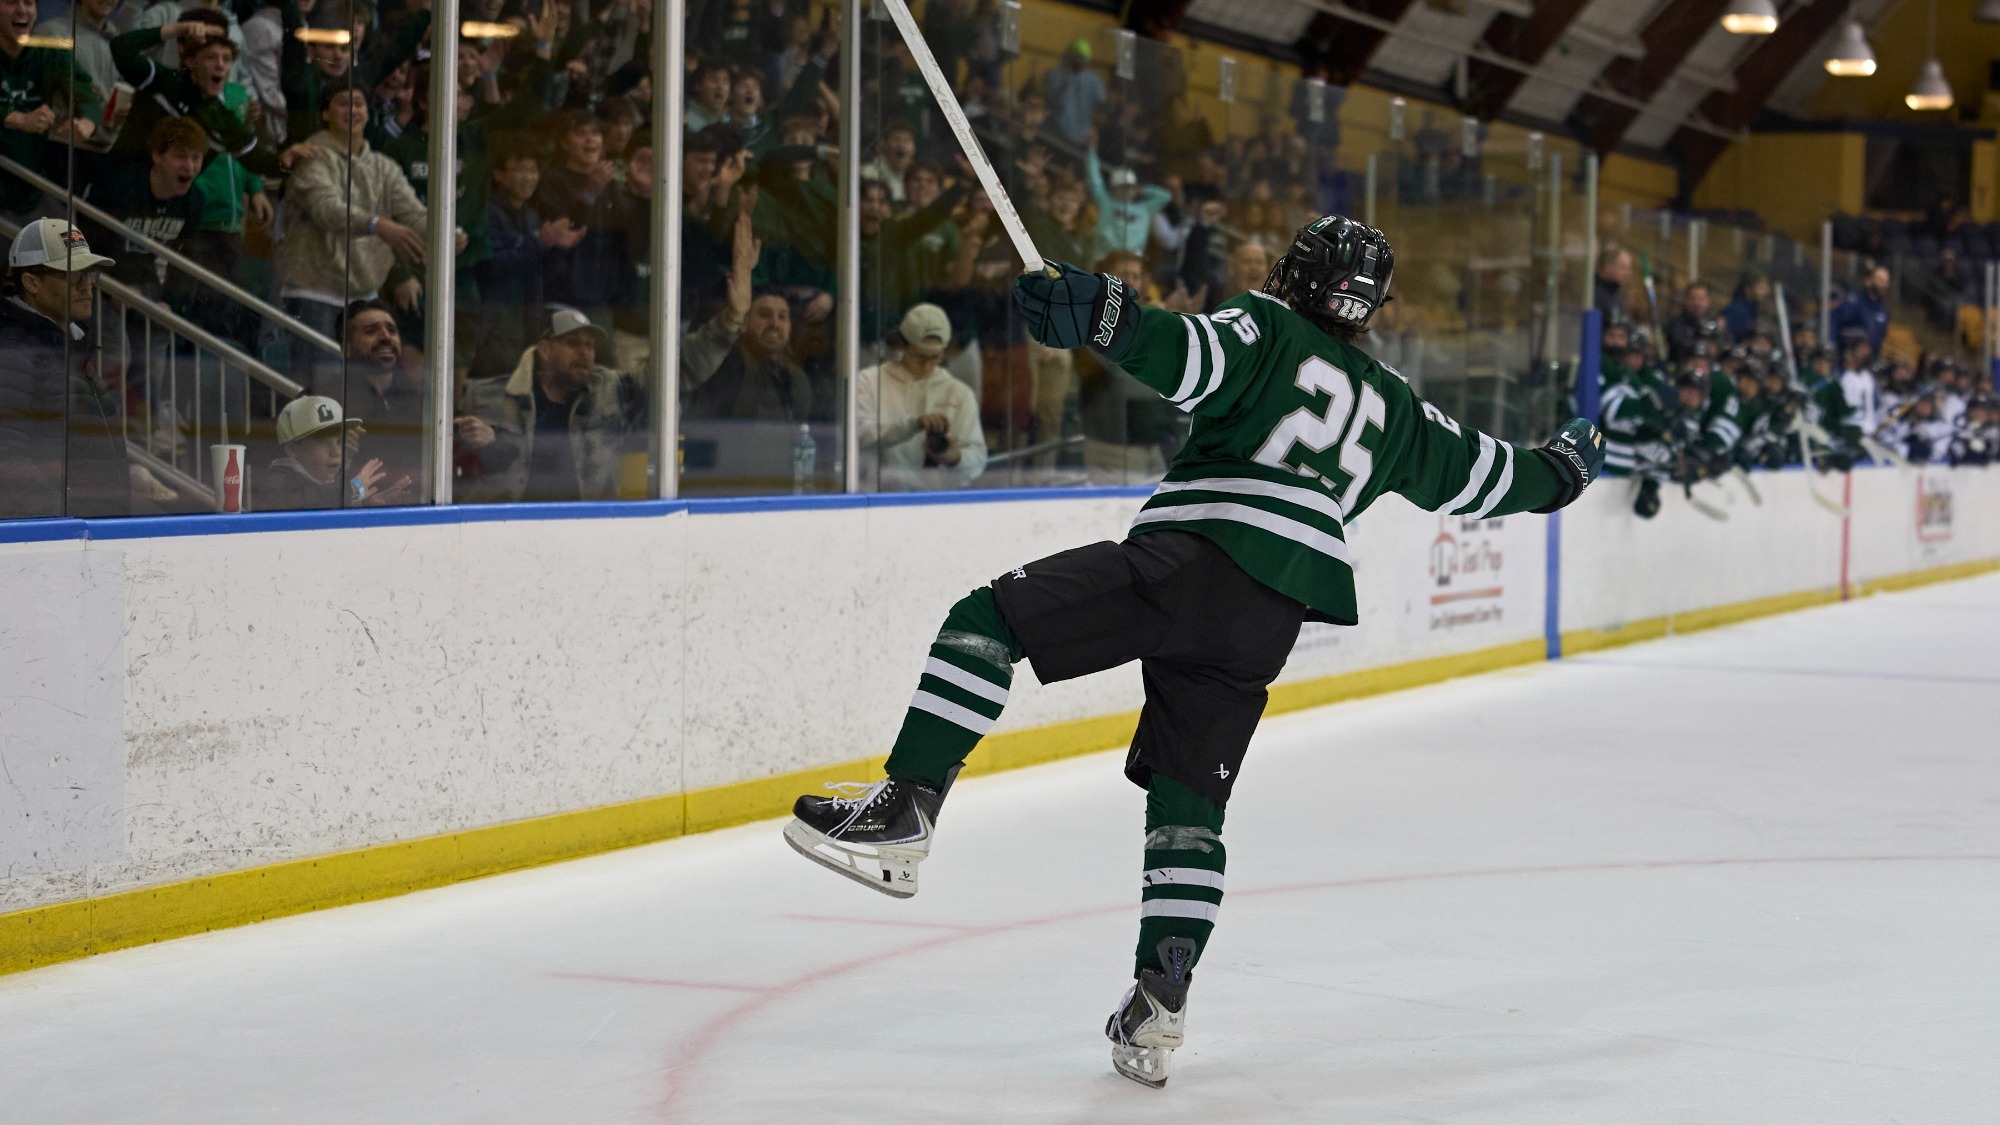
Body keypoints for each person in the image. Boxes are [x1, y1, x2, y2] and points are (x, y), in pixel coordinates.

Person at [781, 214, 1603, 1088]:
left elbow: (1186, 354)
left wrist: (1104, 315)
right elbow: (1493, 474)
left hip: (1191, 560)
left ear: (1294, 274)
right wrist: (1568, 465)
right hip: (1269, 617)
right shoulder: (1397, 407)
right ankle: (1158, 1000)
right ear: (1371, 306)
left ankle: (907, 806)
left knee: (987, 619)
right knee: (1188, 805)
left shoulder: (1268, 323)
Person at [278, 86, 432, 392]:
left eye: (359, 103)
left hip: (363, 297)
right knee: (322, 398)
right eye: (342, 103)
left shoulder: (382, 165)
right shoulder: (313, 156)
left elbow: (413, 212)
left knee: (360, 395)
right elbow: (326, 209)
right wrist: (378, 226)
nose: (353, 111)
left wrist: (446, 233)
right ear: (325, 113)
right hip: (315, 294)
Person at [0, 219, 127, 519]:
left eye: (89, 273)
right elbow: (6, 458)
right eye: (73, 275)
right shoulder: (14, 354)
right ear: (31, 283)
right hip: (63, 544)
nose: (88, 285)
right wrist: (62, 521)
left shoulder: (74, 347)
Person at [456, 307, 645, 503]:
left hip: (585, 526)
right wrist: (488, 447)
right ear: (545, 350)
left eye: (590, 345)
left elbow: (659, 378)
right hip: (509, 526)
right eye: (573, 343)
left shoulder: (610, 390)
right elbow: (452, 468)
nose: (584, 352)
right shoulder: (485, 395)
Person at [856, 302, 986, 491]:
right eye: (920, 358)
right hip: (880, 498)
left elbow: (978, 459)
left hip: (936, 501)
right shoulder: (869, 382)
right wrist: (913, 424)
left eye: (935, 358)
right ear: (903, 346)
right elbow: (860, 435)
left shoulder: (959, 394)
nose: (927, 366)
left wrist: (956, 458)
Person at [0, 0, 101, 220]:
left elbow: (85, 95)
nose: (22, 10)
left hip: (29, 189)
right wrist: (17, 118)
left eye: (29, 3)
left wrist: (86, 122)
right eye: (10, 2)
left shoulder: (47, 52)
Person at [338, 299, 422, 497]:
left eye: (392, 330)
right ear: (346, 348)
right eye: (371, 331)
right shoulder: (323, 401)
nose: (386, 337)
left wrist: (487, 441)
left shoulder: (425, 400)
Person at [260, 394, 402, 511]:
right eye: (323, 442)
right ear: (292, 449)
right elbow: (292, 501)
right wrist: (353, 489)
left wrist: (365, 505)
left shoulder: (325, 484)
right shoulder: (278, 479)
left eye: (340, 442)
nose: (336, 453)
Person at [1829, 265, 1892, 360]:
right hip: (1846, 358)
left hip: (1867, 364)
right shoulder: (1853, 301)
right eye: (1881, 281)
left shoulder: (1883, 311)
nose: (1884, 285)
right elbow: (1836, 323)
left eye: (1886, 282)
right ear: (1868, 281)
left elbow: (1879, 339)